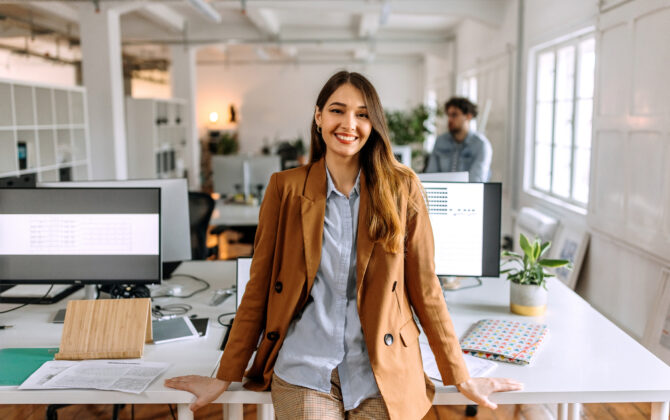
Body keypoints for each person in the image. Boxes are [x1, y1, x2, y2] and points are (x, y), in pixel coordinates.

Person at [165, 71, 521, 419]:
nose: (349, 123)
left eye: (362, 114)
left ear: (373, 124)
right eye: (337, 110)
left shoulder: (403, 189)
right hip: (306, 367)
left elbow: (427, 289)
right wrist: (225, 374)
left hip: (380, 367)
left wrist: (459, 375)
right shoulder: (285, 188)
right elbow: (258, 287)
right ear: (319, 116)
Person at [425, 97, 492, 182]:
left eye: (454, 115)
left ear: (468, 116)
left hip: (469, 194)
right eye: (448, 115)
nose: (450, 119)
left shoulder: (481, 145)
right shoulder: (440, 141)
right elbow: (431, 176)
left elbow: (476, 181)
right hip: (442, 193)